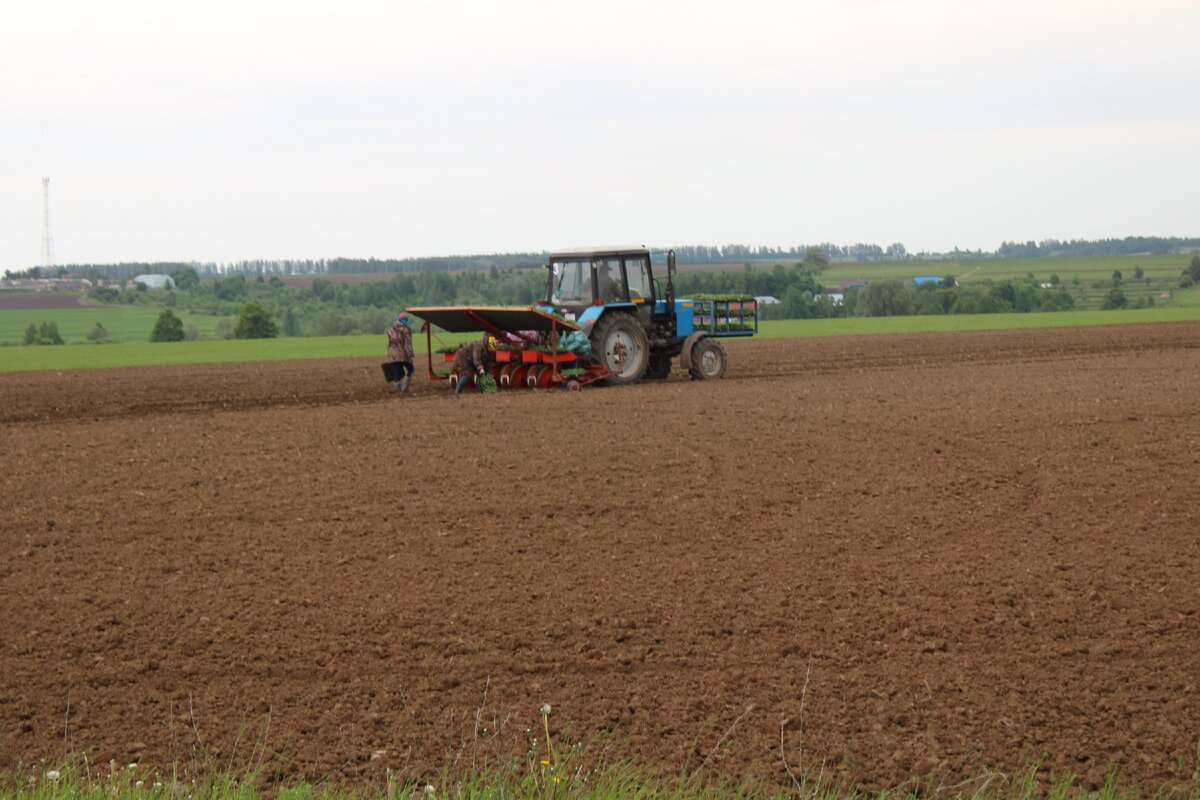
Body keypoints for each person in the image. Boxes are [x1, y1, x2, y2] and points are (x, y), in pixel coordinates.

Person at [385, 312, 415, 394]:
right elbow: (407, 344)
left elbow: (390, 343)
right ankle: (405, 389)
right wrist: (410, 356)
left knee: (396, 373)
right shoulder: (406, 330)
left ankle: (398, 391)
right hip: (402, 353)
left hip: (392, 354)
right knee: (411, 369)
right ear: (404, 320)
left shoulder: (390, 330)